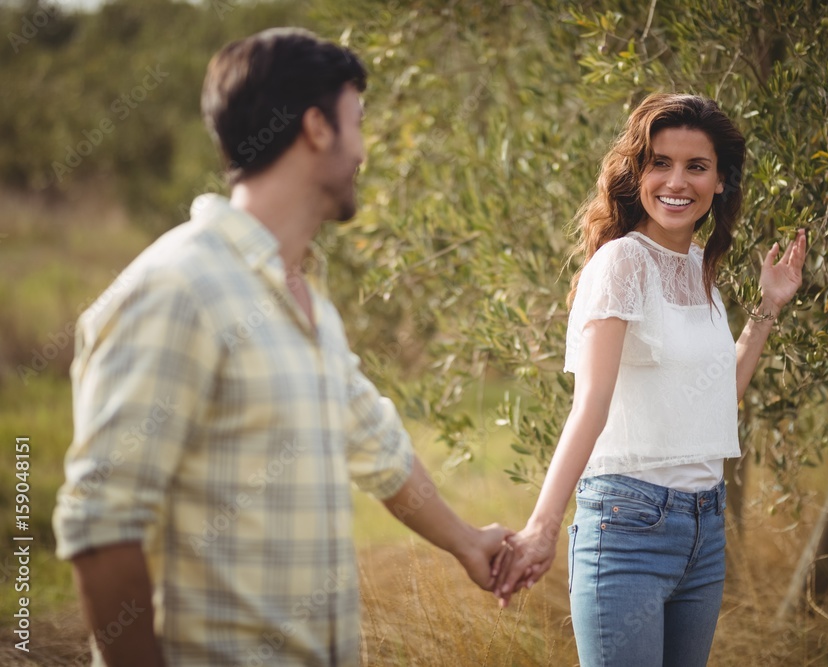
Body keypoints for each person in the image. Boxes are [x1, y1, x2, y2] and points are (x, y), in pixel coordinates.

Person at [53, 28, 511, 667]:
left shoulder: (309, 304)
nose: (364, 151)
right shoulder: (179, 288)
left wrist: (467, 542)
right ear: (317, 127)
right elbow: (100, 526)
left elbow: (376, 446)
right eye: (358, 123)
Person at [491, 93, 807, 666]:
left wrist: (768, 307)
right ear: (636, 172)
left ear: (720, 183)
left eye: (696, 166)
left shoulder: (698, 270)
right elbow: (591, 401)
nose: (675, 181)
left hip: (705, 528)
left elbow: (715, 399)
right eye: (659, 162)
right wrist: (542, 526)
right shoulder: (622, 263)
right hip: (628, 525)